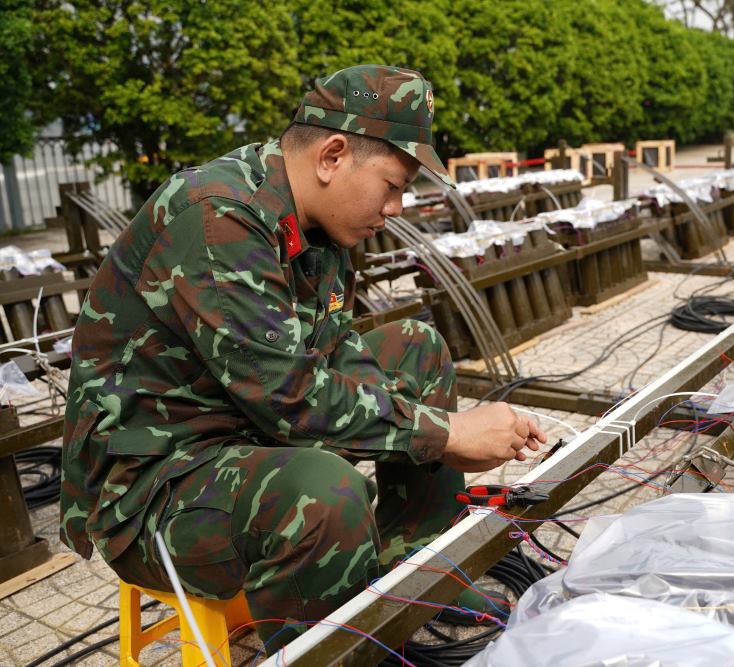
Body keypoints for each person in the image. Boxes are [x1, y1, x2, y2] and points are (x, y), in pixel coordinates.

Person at [59, 64, 547, 651]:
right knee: (324, 493)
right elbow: (288, 395)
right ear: (333, 156)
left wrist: (432, 428)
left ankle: (412, 564)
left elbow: (338, 351)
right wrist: (444, 434)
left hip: (242, 431)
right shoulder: (219, 217)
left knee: (415, 349)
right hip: (155, 487)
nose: (395, 208)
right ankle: (323, 651)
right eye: (391, 185)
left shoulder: (316, 224)